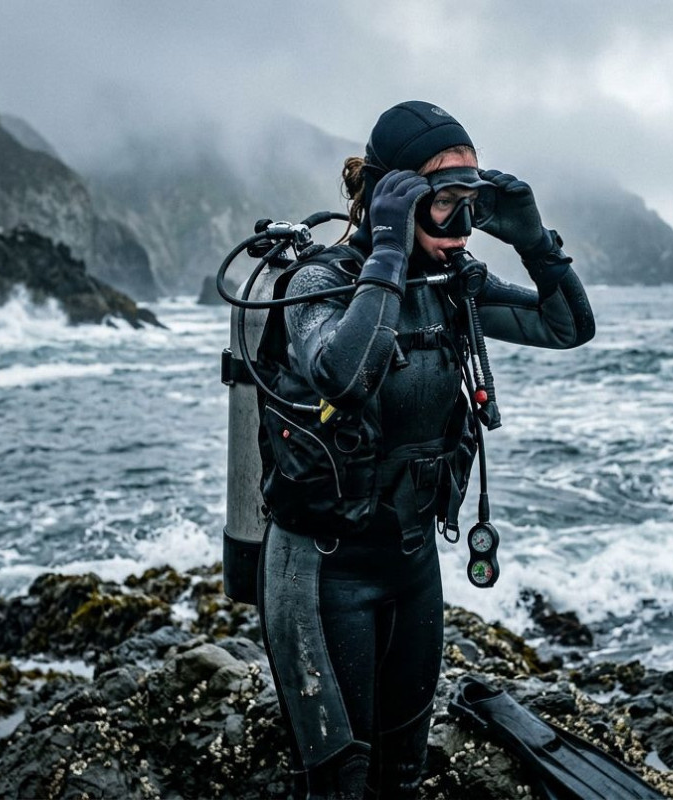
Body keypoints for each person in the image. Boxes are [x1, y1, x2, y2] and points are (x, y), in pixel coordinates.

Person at [257, 100, 595, 799]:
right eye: (443, 203)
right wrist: (384, 249)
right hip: (322, 574)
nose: (460, 227)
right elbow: (345, 375)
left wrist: (536, 242)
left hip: (412, 566)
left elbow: (567, 326)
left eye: (471, 203)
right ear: (391, 196)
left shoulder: (451, 289)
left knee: (403, 778)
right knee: (340, 787)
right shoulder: (319, 285)